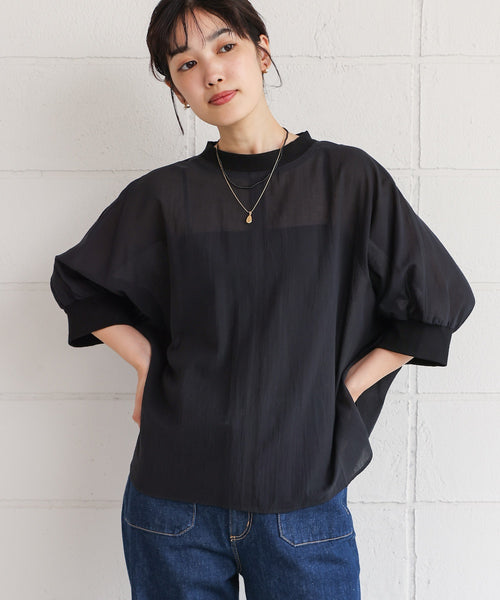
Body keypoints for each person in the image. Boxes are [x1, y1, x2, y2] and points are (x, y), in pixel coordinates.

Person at [49, 1, 476, 598]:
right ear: (175, 89)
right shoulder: (162, 198)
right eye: (186, 64)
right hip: (172, 506)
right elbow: (80, 283)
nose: (212, 73)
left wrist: (343, 393)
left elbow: (436, 300)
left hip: (303, 501)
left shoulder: (347, 180)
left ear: (262, 50)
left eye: (226, 47)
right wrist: (147, 364)